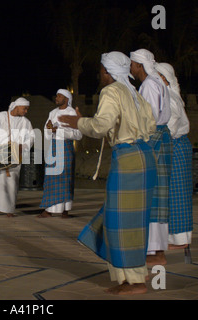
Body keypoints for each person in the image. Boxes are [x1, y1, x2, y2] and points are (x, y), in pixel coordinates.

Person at [59, 51, 157, 295]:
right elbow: (152, 125)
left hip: (128, 160)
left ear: (110, 72)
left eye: (102, 70)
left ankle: (135, 283)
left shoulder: (112, 91)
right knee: (129, 220)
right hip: (144, 157)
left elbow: (101, 126)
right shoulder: (133, 93)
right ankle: (128, 278)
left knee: (122, 221)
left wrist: (78, 122)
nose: (100, 74)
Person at [130, 49, 172, 266]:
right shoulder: (159, 82)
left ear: (139, 65)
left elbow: (149, 117)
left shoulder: (148, 85)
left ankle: (154, 250)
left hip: (153, 137)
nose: (130, 67)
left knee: (151, 193)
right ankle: (158, 250)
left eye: (132, 64)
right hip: (162, 136)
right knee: (159, 193)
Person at [155, 62, 193, 250]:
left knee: (176, 193)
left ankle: (180, 239)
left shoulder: (169, 96)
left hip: (175, 146)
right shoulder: (167, 95)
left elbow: (172, 122)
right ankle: (175, 237)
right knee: (173, 192)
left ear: (164, 78)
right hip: (175, 145)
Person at [38, 89, 82, 218]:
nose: (56, 97)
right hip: (53, 147)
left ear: (67, 99)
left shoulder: (72, 113)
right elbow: (47, 130)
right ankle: (48, 210)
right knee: (50, 179)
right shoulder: (52, 113)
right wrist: (49, 128)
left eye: (59, 96)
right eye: (56, 95)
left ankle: (65, 210)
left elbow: (78, 134)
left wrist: (59, 130)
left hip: (66, 147)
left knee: (65, 178)